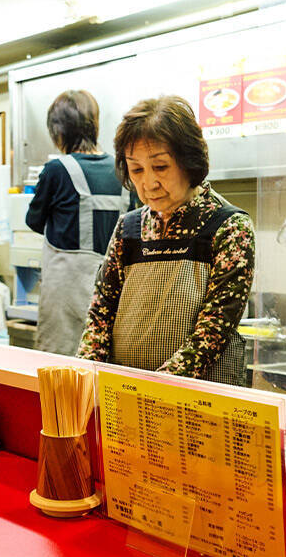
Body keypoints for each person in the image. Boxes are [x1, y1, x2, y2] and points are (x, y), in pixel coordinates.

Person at [77, 96, 254, 383]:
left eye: (160, 167)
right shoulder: (128, 228)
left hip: (198, 404)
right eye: (136, 170)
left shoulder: (229, 227)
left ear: (189, 162)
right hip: (124, 397)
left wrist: (153, 390)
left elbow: (211, 333)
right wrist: (84, 379)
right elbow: (99, 317)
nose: (148, 183)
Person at [25, 89, 129, 355]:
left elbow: (34, 221)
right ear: (94, 125)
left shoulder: (56, 170)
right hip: (116, 290)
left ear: (58, 132)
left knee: (60, 372)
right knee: (105, 367)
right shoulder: (123, 169)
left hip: (64, 291)